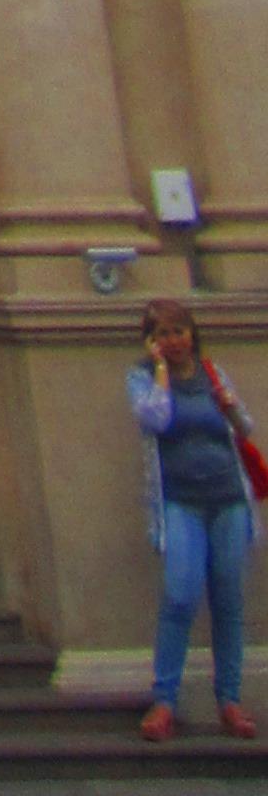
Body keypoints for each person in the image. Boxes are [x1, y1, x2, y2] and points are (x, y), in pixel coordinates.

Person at [131, 301, 261, 740]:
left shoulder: (212, 372)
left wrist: (228, 404)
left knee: (227, 602)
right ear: (151, 341)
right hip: (181, 503)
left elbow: (246, 427)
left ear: (192, 333)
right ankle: (164, 700)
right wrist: (161, 373)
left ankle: (229, 699)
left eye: (180, 331)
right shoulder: (143, 379)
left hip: (227, 499)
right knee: (180, 596)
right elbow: (156, 420)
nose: (174, 341)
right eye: (164, 334)